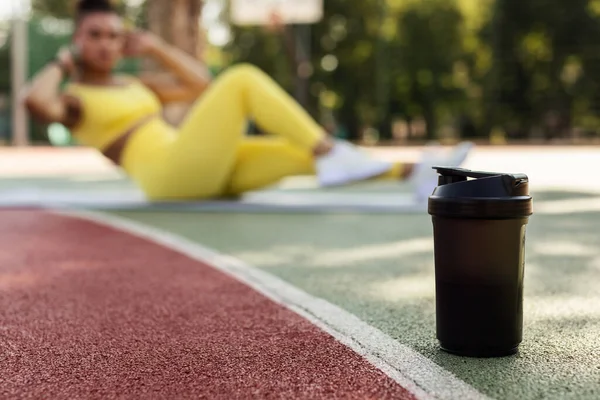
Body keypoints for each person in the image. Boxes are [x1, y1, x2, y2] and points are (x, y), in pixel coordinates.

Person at [22, 0, 473, 202]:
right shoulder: (76, 99)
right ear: (78, 39)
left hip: (198, 164)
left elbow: (200, 84)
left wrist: (156, 48)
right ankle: (333, 150)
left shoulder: (138, 84)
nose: (106, 43)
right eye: (94, 35)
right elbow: (34, 102)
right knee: (241, 79)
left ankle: (422, 175)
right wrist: (66, 60)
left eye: (113, 35)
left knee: (294, 152)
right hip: (168, 176)